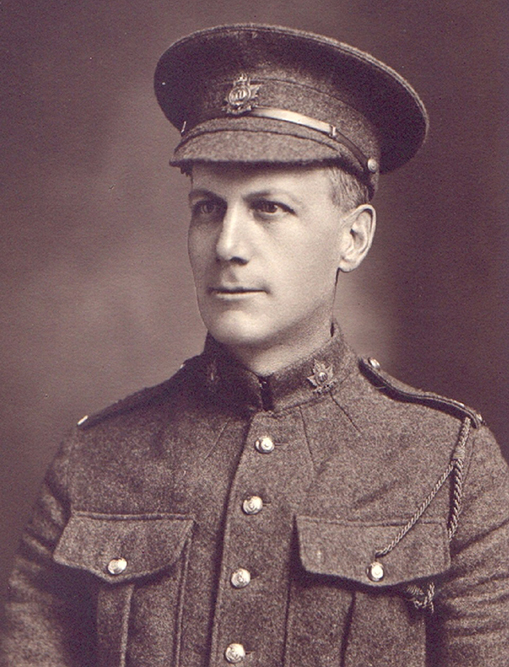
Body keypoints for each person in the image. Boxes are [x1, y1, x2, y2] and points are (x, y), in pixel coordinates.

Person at [1, 23, 508, 667]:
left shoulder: (448, 463)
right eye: (208, 207)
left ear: (353, 238)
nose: (227, 246)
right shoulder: (95, 460)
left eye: (269, 208)